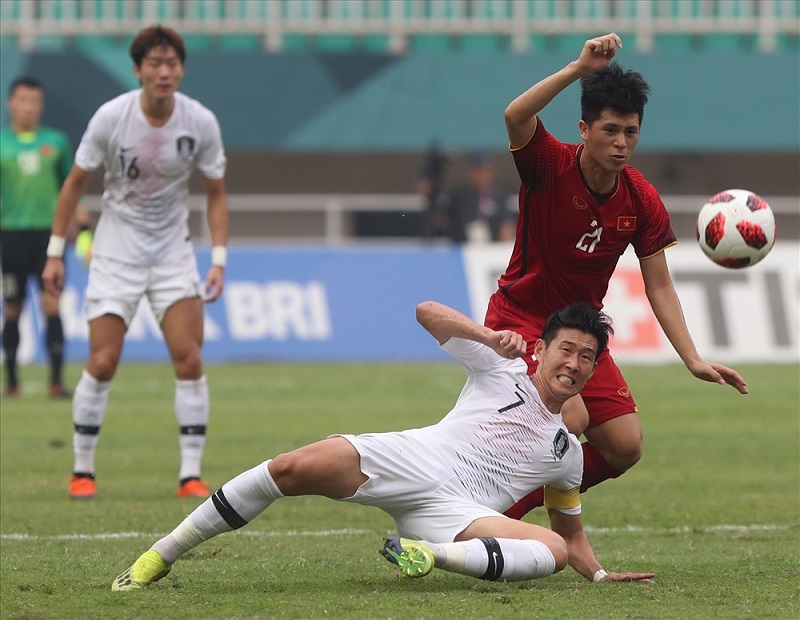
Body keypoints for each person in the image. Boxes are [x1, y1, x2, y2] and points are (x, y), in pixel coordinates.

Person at [110, 300, 654, 591]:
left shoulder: (568, 454)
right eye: (567, 349)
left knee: (551, 553)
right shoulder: (501, 365)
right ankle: (159, 556)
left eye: (587, 357)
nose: (575, 364)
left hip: (456, 516)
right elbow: (425, 312)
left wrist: (602, 575)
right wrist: (487, 337)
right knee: (289, 467)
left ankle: (426, 556)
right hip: (418, 458)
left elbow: (572, 536)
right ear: (542, 348)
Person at [485, 33, 748, 519]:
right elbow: (514, 116)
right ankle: (488, 503)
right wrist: (578, 70)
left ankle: (503, 505)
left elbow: (660, 284)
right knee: (574, 414)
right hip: (520, 320)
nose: (621, 143)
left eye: (631, 131)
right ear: (584, 129)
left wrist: (693, 359)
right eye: (610, 130)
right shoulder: (548, 164)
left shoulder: (641, 198)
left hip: (581, 332)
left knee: (624, 445)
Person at [41, 26, 230, 500]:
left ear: (181, 69)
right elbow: (73, 184)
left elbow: (216, 193)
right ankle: (82, 469)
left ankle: (190, 475)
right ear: (138, 70)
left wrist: (219, 259)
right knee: (103, 362)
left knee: (188, 359)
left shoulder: (200, 122)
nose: (164, 72)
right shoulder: (112, 117)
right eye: (155, 64)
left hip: (172, 253)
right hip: (115, 251)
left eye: (172, 64)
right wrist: (56, 252)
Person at [0, 77, 86, 399]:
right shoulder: (1, 143)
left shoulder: (56, 142)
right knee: (12, 308)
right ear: (11, 103)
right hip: (11, 235)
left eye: (35, 101)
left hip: (50, 237)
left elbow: (70, 186)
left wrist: (79, 219)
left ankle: (56, 382)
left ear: (41, 105)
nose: (29, 107)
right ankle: (11, 383)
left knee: (52, 304)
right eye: (23, 100)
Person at [445, 151, 516, 244]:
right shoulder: (459, 197)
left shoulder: (500, 197)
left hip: (494, 247)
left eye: (484, 171)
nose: (481, 176)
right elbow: (453, 224)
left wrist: (506, 228)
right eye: (477, 171)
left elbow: (507, 223)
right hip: (466, 247)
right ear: (470, 172)